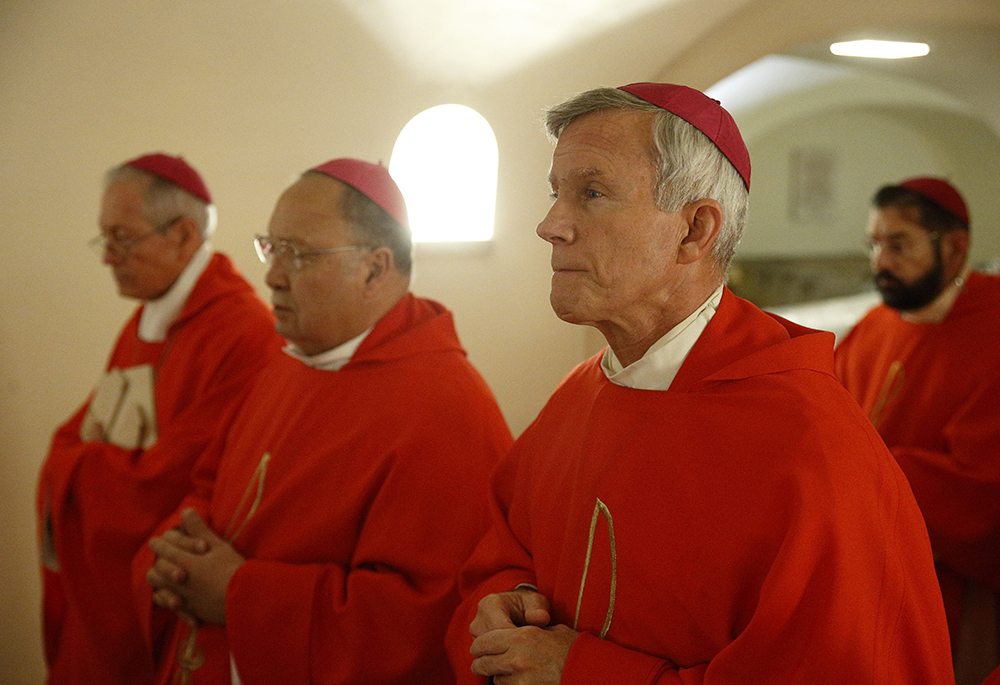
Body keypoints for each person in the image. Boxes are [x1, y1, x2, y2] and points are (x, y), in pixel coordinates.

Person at [445, 83, 955, 684]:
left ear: (695, 230)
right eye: (557, 193)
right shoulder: (580, 394)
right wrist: (510, 597)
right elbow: (505, 551)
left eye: (591, 193)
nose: (550, 224)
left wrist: (583, 671)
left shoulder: (807, 444)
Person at [138, 158, 513, 685]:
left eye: (298, 255)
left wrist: (238, 595)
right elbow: (212, 484)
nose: (271, 275)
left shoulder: (447, 408)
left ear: (376, 269)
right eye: (270, 247)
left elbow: (418, 621)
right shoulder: (285, 360)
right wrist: (183, 552)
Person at [36, 153, 282, 683]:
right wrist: (76, 461)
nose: (107, 256)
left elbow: (173, 482)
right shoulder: (146, 319)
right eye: (104, 238)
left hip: (158, 595)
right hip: (104, 598)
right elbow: (74, 436)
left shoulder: (243, 335)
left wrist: (74, 469)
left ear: (184, 234)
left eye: (121, 237)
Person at [835, 177, 1000, 684]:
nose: (880, 262)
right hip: (862, 559)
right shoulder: (874, 327)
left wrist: (867, 475)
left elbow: (982, 484)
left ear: (955, 248)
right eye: (874, 245)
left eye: (899, 244)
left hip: (952, 582)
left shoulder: (993, 326)